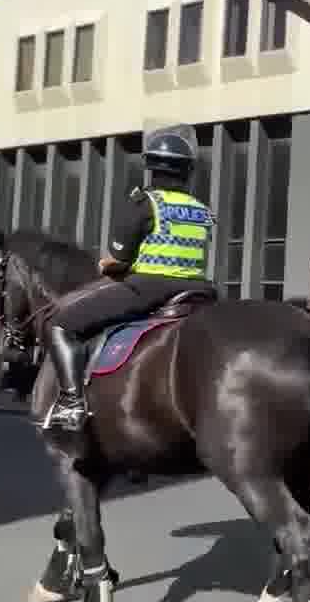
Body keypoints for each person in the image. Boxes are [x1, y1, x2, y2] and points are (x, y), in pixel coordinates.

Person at [42, 125, 217, 433]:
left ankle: (71, 402)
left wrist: (112, 265)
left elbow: (120, 256)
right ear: (188, 168)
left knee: (61, 325)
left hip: (150, 289)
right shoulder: (202, 210)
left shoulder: (145, 203)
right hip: (200, 292)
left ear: (150, 166)